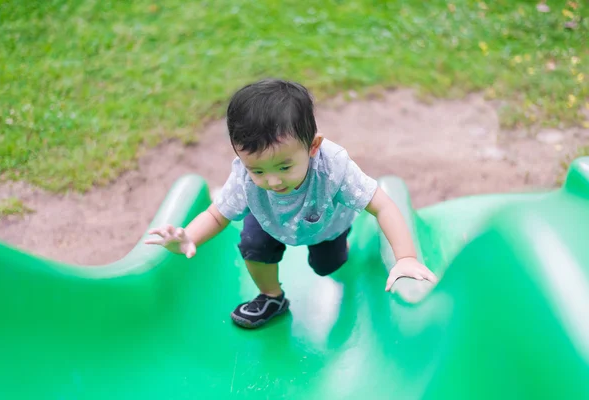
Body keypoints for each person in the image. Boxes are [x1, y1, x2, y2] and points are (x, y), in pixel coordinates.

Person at [145, 79, 438, 328]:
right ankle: (271, 297)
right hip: (268, 220)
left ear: (313, 147)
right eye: (257, 170)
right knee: (253, 245)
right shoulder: (245, 177)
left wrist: (406, 257)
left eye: (284, 167)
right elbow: (217, 214)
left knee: (327, 266)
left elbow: (382, 206)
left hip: (325, 225)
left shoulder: (333, 167)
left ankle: (342, 249)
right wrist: (189, 237)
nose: (272, 181)